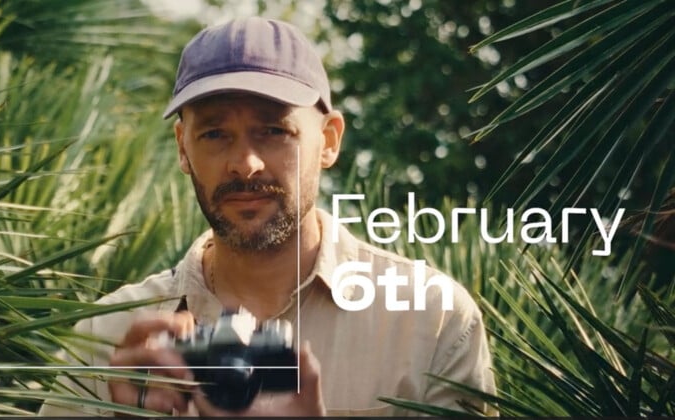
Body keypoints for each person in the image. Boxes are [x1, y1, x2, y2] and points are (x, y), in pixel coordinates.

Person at [38, 16, 495, 417]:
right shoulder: (108, 337)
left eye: (274, 130)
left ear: (330, 140)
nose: (245, 163)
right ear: (183, 147)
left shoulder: (432, 324)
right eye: (215, 133)